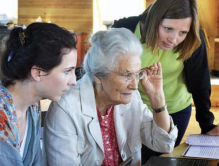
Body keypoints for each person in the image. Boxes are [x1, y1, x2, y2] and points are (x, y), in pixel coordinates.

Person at [44, 28, 178, 166]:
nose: (134, 86)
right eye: (127, 75)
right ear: (99, 76)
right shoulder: (65, 109)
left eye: (137, 74)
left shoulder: (132, 98)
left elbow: (163, 144)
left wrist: (157, 98)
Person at [112, 0, 219, 164]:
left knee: (160, 160)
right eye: (168, 29)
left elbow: (200, 81)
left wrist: (207, 124)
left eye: (182, 32)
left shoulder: (192, 38)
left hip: (174, 110)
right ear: (154, 20)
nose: (173, 39)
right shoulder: (125, 30)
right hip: (131, 109)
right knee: (130, 158)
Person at [0, 22, 77, 166]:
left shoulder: (32, 106)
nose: (74, 81)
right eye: (67, 71)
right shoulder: (2, 113)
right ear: (38, 73)